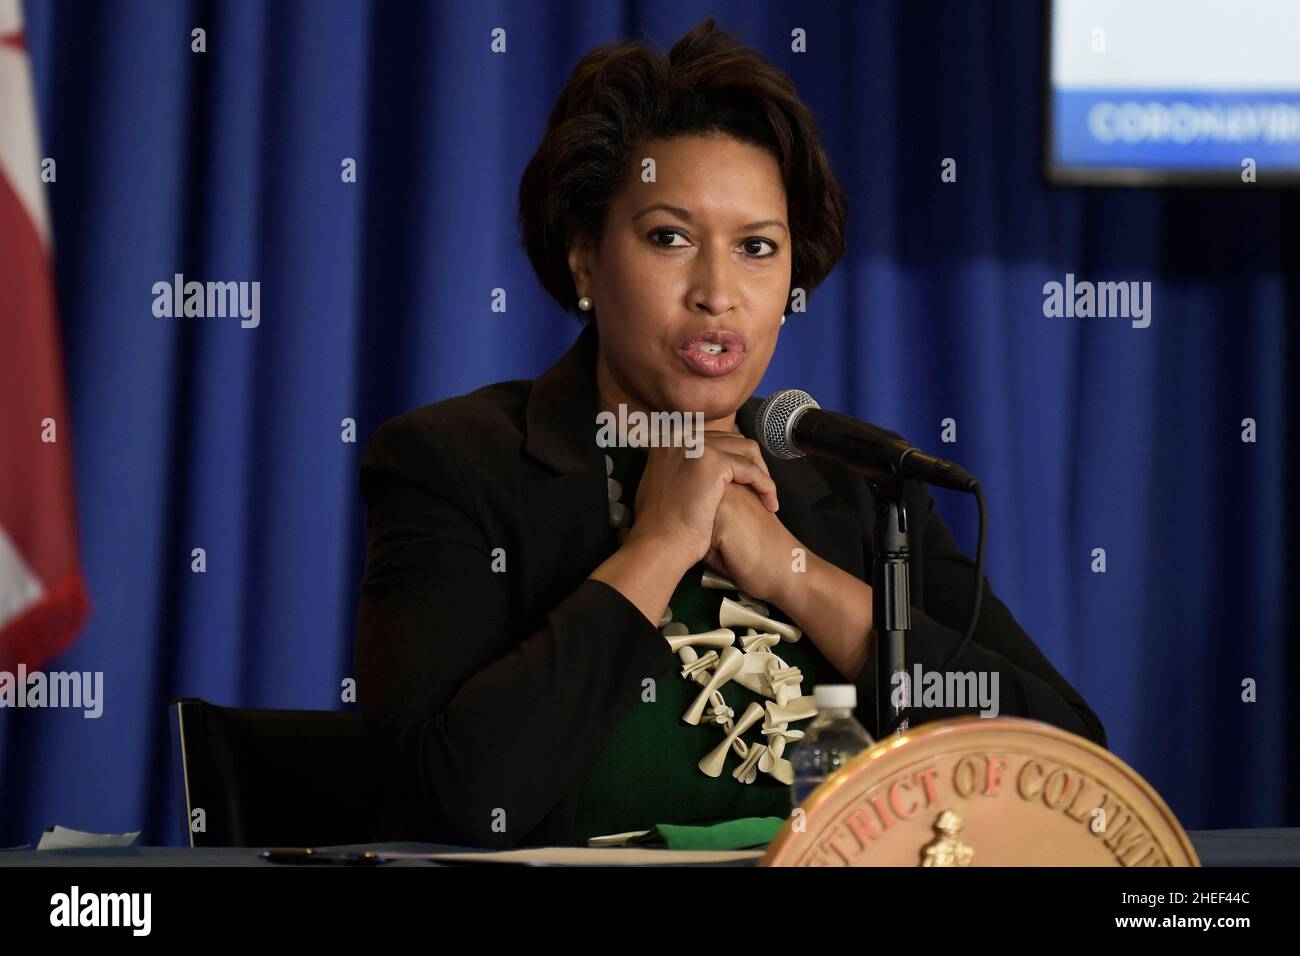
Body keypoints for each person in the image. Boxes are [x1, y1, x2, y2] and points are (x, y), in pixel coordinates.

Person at [354, 17, 1106, 850]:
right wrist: (661, 543)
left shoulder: (852, 482)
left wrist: (797, 576)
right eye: (669, 237)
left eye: (757, 247)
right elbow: (453, 798)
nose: (718, 291)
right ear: (583, 258)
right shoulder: (457, 463)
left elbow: (1064, 763)